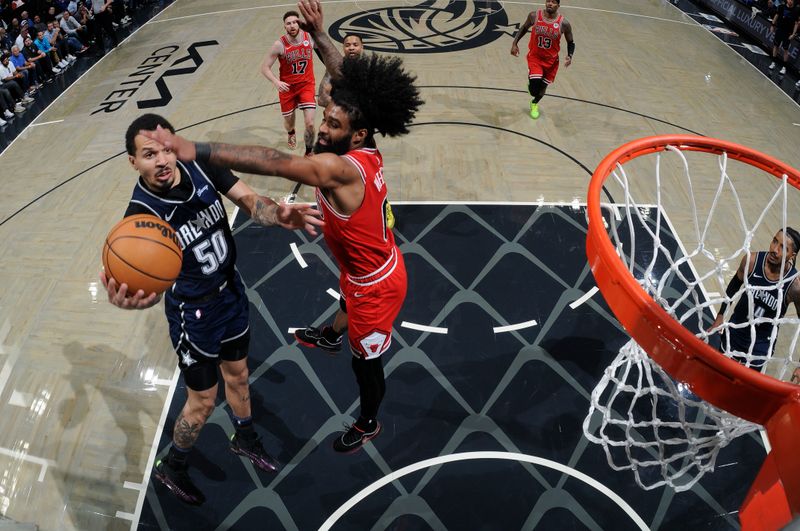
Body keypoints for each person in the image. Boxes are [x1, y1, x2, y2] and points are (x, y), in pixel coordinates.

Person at [143, 0, 423, 454]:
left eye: (333, 123)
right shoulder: (363, 135)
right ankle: (331, 334)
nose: (325, 125)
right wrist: (319, 35)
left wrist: (199, 148)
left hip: (378, 286)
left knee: (365, 364)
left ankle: (369, 420)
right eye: (327, 117)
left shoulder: (340, 169)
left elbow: (275, 162)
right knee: (347, 293)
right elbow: (350, 85)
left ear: (356, 136)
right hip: (363, 268)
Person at [100, 113, 323, 505]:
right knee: (202, 400)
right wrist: (132, 300)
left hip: (231, 292)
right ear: (132, 162)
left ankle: (245, 437)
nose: (162, 160)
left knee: (239, 374)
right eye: (149, 154)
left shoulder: (200, 165)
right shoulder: (139, 218)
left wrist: (277, 214)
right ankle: (174, 466)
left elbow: (250, 200)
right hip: (194, 314)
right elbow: (144, 288)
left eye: (166, 149)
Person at [313, 31, 396, 230]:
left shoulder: (370, 68)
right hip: (342, 134)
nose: (351, 47)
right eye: (348, 44)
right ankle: (335, 209)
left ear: (362, 47)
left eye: (355, 44)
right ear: (343, 48)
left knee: (373, 173)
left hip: (363, 135)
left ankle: (383, 205)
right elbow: (322, 99)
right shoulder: (335, 68)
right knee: (337, 174)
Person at [709, 228, 800, 369]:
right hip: (736, 330)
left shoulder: (794, 285)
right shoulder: (752, 261)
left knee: (744, 386)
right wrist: (720, 316)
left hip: (761, 344)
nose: (775, 249)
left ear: (792, 256)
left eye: (783, 248)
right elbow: (734, 285)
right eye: (775, 241)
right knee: (719, 370)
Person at [261, 10, 316, 155]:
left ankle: (309, 152)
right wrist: (276, 82)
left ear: (299, 23)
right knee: (289, 123)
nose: (292, 26)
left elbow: (324, 53)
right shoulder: (279, 45)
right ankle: (291, 132)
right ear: (284, 26)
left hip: (306, 85)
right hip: (287, 88)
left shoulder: (310, 37)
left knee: (310, 123)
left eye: (294, 22)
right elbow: (264, 67)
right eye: (288, 23)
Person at [510, 0, 575, 119]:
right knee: (534, 89)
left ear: (558, 6)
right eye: (548, 1)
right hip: (535, 57)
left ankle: (534, 103)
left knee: (542, 89)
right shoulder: (534, 16)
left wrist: (570, 55)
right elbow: (524, 28)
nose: (550, 3)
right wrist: (515, 43)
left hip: (551, 62)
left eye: (553, 2)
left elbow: (571, 42)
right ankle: (532, 82)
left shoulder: (564, 23)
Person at [768, 0, 800, 75]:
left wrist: (793, 34)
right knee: (776, 46)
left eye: (792, 0)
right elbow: (776, 16)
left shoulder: (795, 11)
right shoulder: (781, 7)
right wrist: (772, 25)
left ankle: (784, 67)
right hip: (779, 30)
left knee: (786, 50)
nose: (790, 1)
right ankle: (773, 62)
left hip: (788, 33)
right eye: (789, 0)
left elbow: (796, 24)